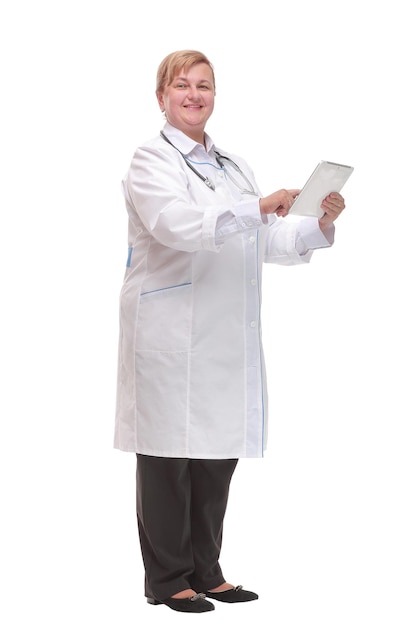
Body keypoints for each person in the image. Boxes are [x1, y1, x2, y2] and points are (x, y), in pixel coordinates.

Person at [114, 50, 346, 614]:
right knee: (169, 459)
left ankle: (206, 570)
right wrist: (255, 208)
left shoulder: (235, 167)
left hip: (221, 336)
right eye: (182, 86)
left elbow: (261, 239)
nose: (194, 95)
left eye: (205, 86)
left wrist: (316, 224)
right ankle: (168, 580)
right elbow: (176, 225)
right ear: (162, 96)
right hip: (170, 332)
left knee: (216, 458)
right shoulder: (151, 161)